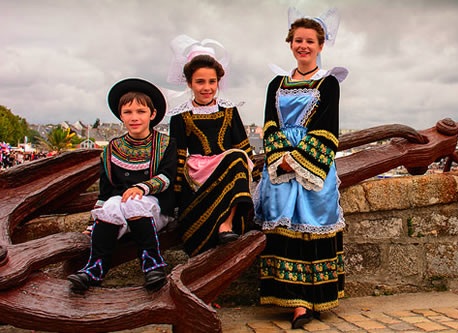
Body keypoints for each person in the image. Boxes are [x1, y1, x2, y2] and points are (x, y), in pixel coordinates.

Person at [254, 9, 347, 329]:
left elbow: (327, 129)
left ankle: (311, 301)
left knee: (311, 224)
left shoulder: (328, 83)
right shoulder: (275, 84)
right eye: (298, 40)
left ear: (321, 46)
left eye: (310, 41)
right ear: (290, 43)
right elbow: (269, 125)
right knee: (284, 228)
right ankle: (291, 300)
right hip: (279, 167)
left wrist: (296, 161)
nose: (303, 46)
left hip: (312, 168)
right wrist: (278, 159)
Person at [68, 78, 177, 292]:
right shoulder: (112, 148)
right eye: (128, 112)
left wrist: (141, 188)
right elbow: (106, 190)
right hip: (120, 207)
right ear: (121, 116)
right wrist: (92, 224)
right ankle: (95, 268)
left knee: (133, 203)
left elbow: (167, 177)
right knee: (111, 206)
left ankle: (152, 264)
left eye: (141, 111)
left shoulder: (165, 143)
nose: (134, 117)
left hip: (155, 206)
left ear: (152, 115)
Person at [167, 36, 254, 256]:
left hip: (228, 170)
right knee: (234, 158)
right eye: (200, 82)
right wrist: (175, 198)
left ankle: (227, 222)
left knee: (236, 158)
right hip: (198, 173)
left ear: (218, 82)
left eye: (212, 82)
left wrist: (258, 180)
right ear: (189, 83)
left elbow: (243, 147)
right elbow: (178, 155)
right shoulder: (180, 115)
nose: (207, 88)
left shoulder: (229, 110)